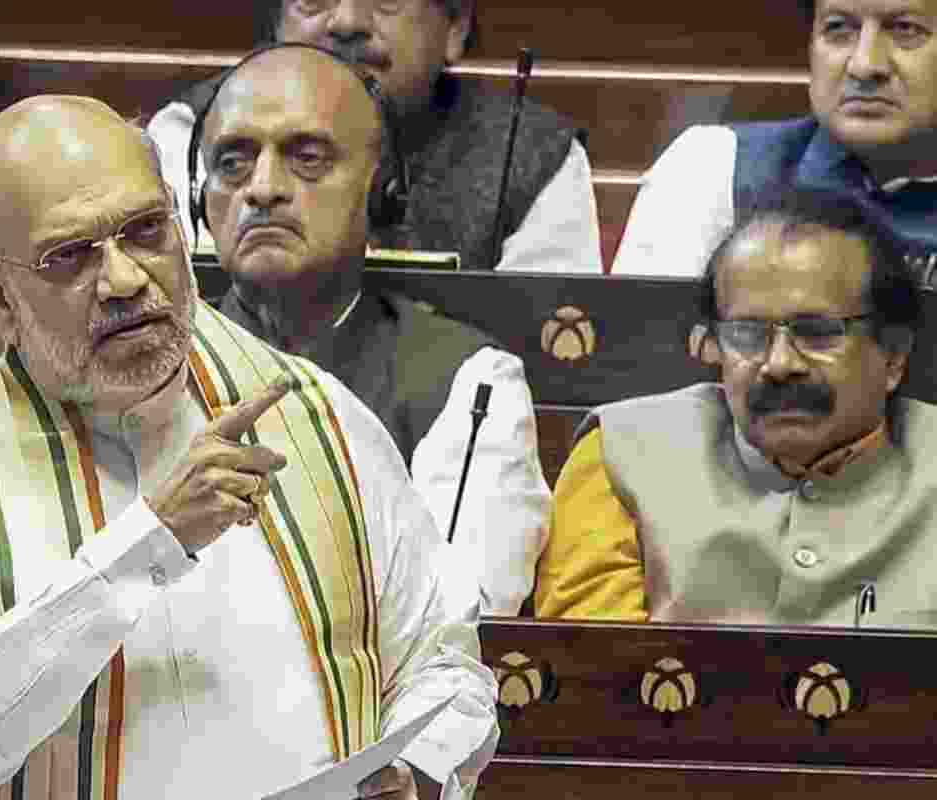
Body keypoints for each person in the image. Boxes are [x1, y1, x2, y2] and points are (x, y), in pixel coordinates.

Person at [0, 95, 498, 799]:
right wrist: (150, 540)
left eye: (146, 230)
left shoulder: (316, 411)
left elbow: (443, 657)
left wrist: (420, 766)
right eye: (70, 256)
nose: (125, 280)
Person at [195, 43, 550, 615]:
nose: (261, 188)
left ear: (382, 191)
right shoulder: (152, 361)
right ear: (199, 200)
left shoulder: (467, 380)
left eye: (307, 157)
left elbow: (462, 619)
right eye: (232, 162)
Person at [535, 188, 937, 628]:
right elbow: (592, 668)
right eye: (747, 334)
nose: (780, 364)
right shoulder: (619, 454)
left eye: (818, 332)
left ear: (894, 356)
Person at [149, 0, 603, 274]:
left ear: (455, 26)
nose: (346, 21)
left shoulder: (532, 157)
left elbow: (549, 365)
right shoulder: (196, 133)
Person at [614, 0, 937, 278]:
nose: (864, 65)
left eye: (905, 29)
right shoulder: (713, 168)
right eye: (838, 28)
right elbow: (641, 344)